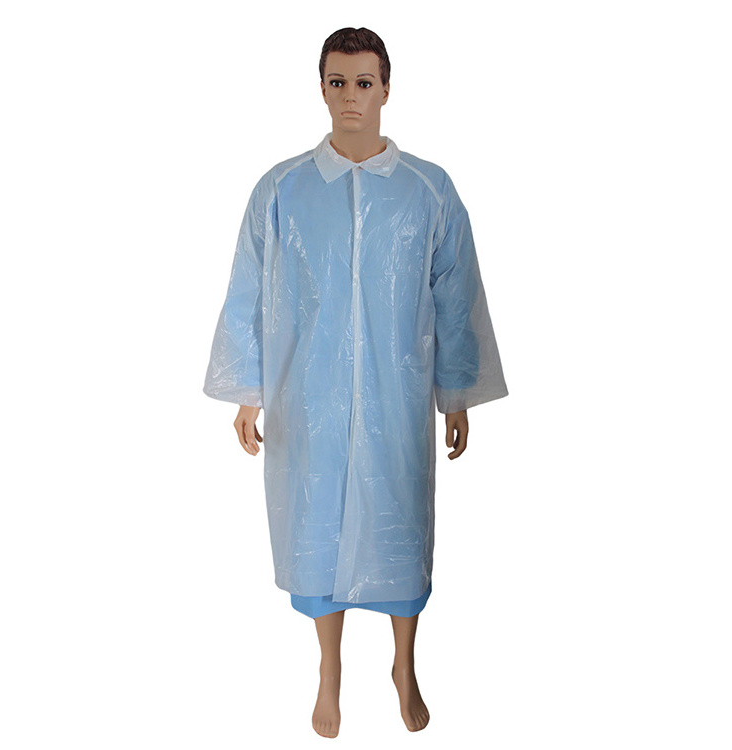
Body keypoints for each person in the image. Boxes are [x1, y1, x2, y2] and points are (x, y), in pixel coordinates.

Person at [203, 27, 508, 737]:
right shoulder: (282, 189)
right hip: (306, 397)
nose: (350, 96)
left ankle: (404, 665)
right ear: (321, 88)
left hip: (397, 401)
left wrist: (456, 394)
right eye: (337, 82)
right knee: (317, 528)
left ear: (387, 89)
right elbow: (249, 290)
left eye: (364, 82)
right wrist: (247, 388)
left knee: (401, 524)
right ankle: (330, 670)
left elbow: (456, 295)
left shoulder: (428, 189)